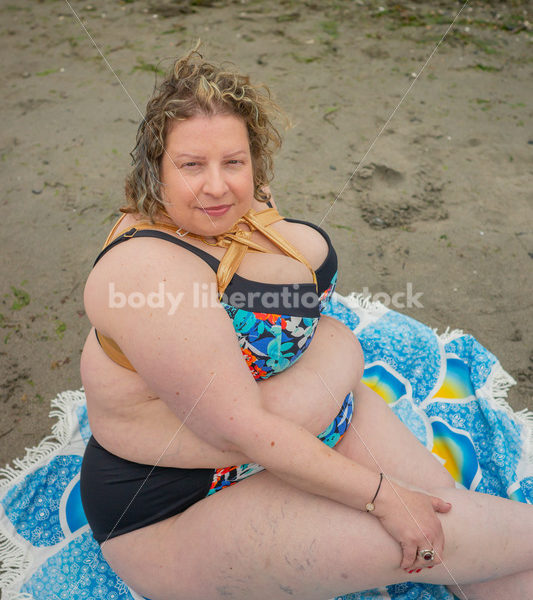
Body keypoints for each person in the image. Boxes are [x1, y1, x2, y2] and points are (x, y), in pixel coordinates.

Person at [79, 47, 533, 600]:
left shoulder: (237, 212)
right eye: (191, 165)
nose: (218, 186)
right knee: (438, 536)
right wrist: (381, 493)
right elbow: (235, 429)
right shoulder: (148, 272)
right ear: (156, 167)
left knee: (459, 531)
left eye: (234, 161)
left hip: (313, 428)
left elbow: (285, 324)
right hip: (177, 504)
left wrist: (336, 360)